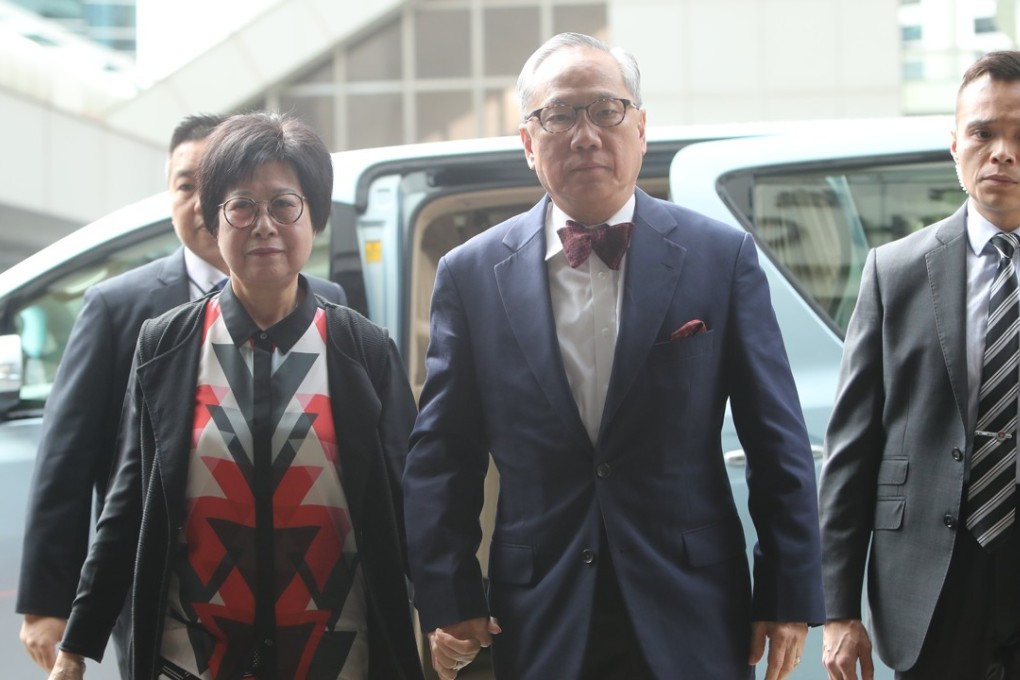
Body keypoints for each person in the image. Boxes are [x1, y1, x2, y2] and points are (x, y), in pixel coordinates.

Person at [403, 32, 824, 680]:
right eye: (560, 115)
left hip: (692, 601)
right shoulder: (471, 274)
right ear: (527, 142)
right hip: (540, 601)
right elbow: (443, 455)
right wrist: (447, 594)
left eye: (606, 110)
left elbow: (778, 441)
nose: (586, 134)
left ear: (641, 127)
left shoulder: (720, 258)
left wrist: (787, 593)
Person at [44, 111, 423, 680]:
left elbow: (410, 502)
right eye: (242, 205)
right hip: (193, 656)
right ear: (213, 219)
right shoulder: (167, 345)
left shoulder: (362, 349)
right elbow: (127, 508)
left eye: (284, 204)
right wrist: (76, 647)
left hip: (335, 655)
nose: (263, 224)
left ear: (313, 217)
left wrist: (450, 612)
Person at [820, 50, 1020, 680]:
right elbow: (851, 448)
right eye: (983, 132)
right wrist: (838, 610)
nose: (1002, 153)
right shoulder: (896, 271)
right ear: (954, 143)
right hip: (929, 577)